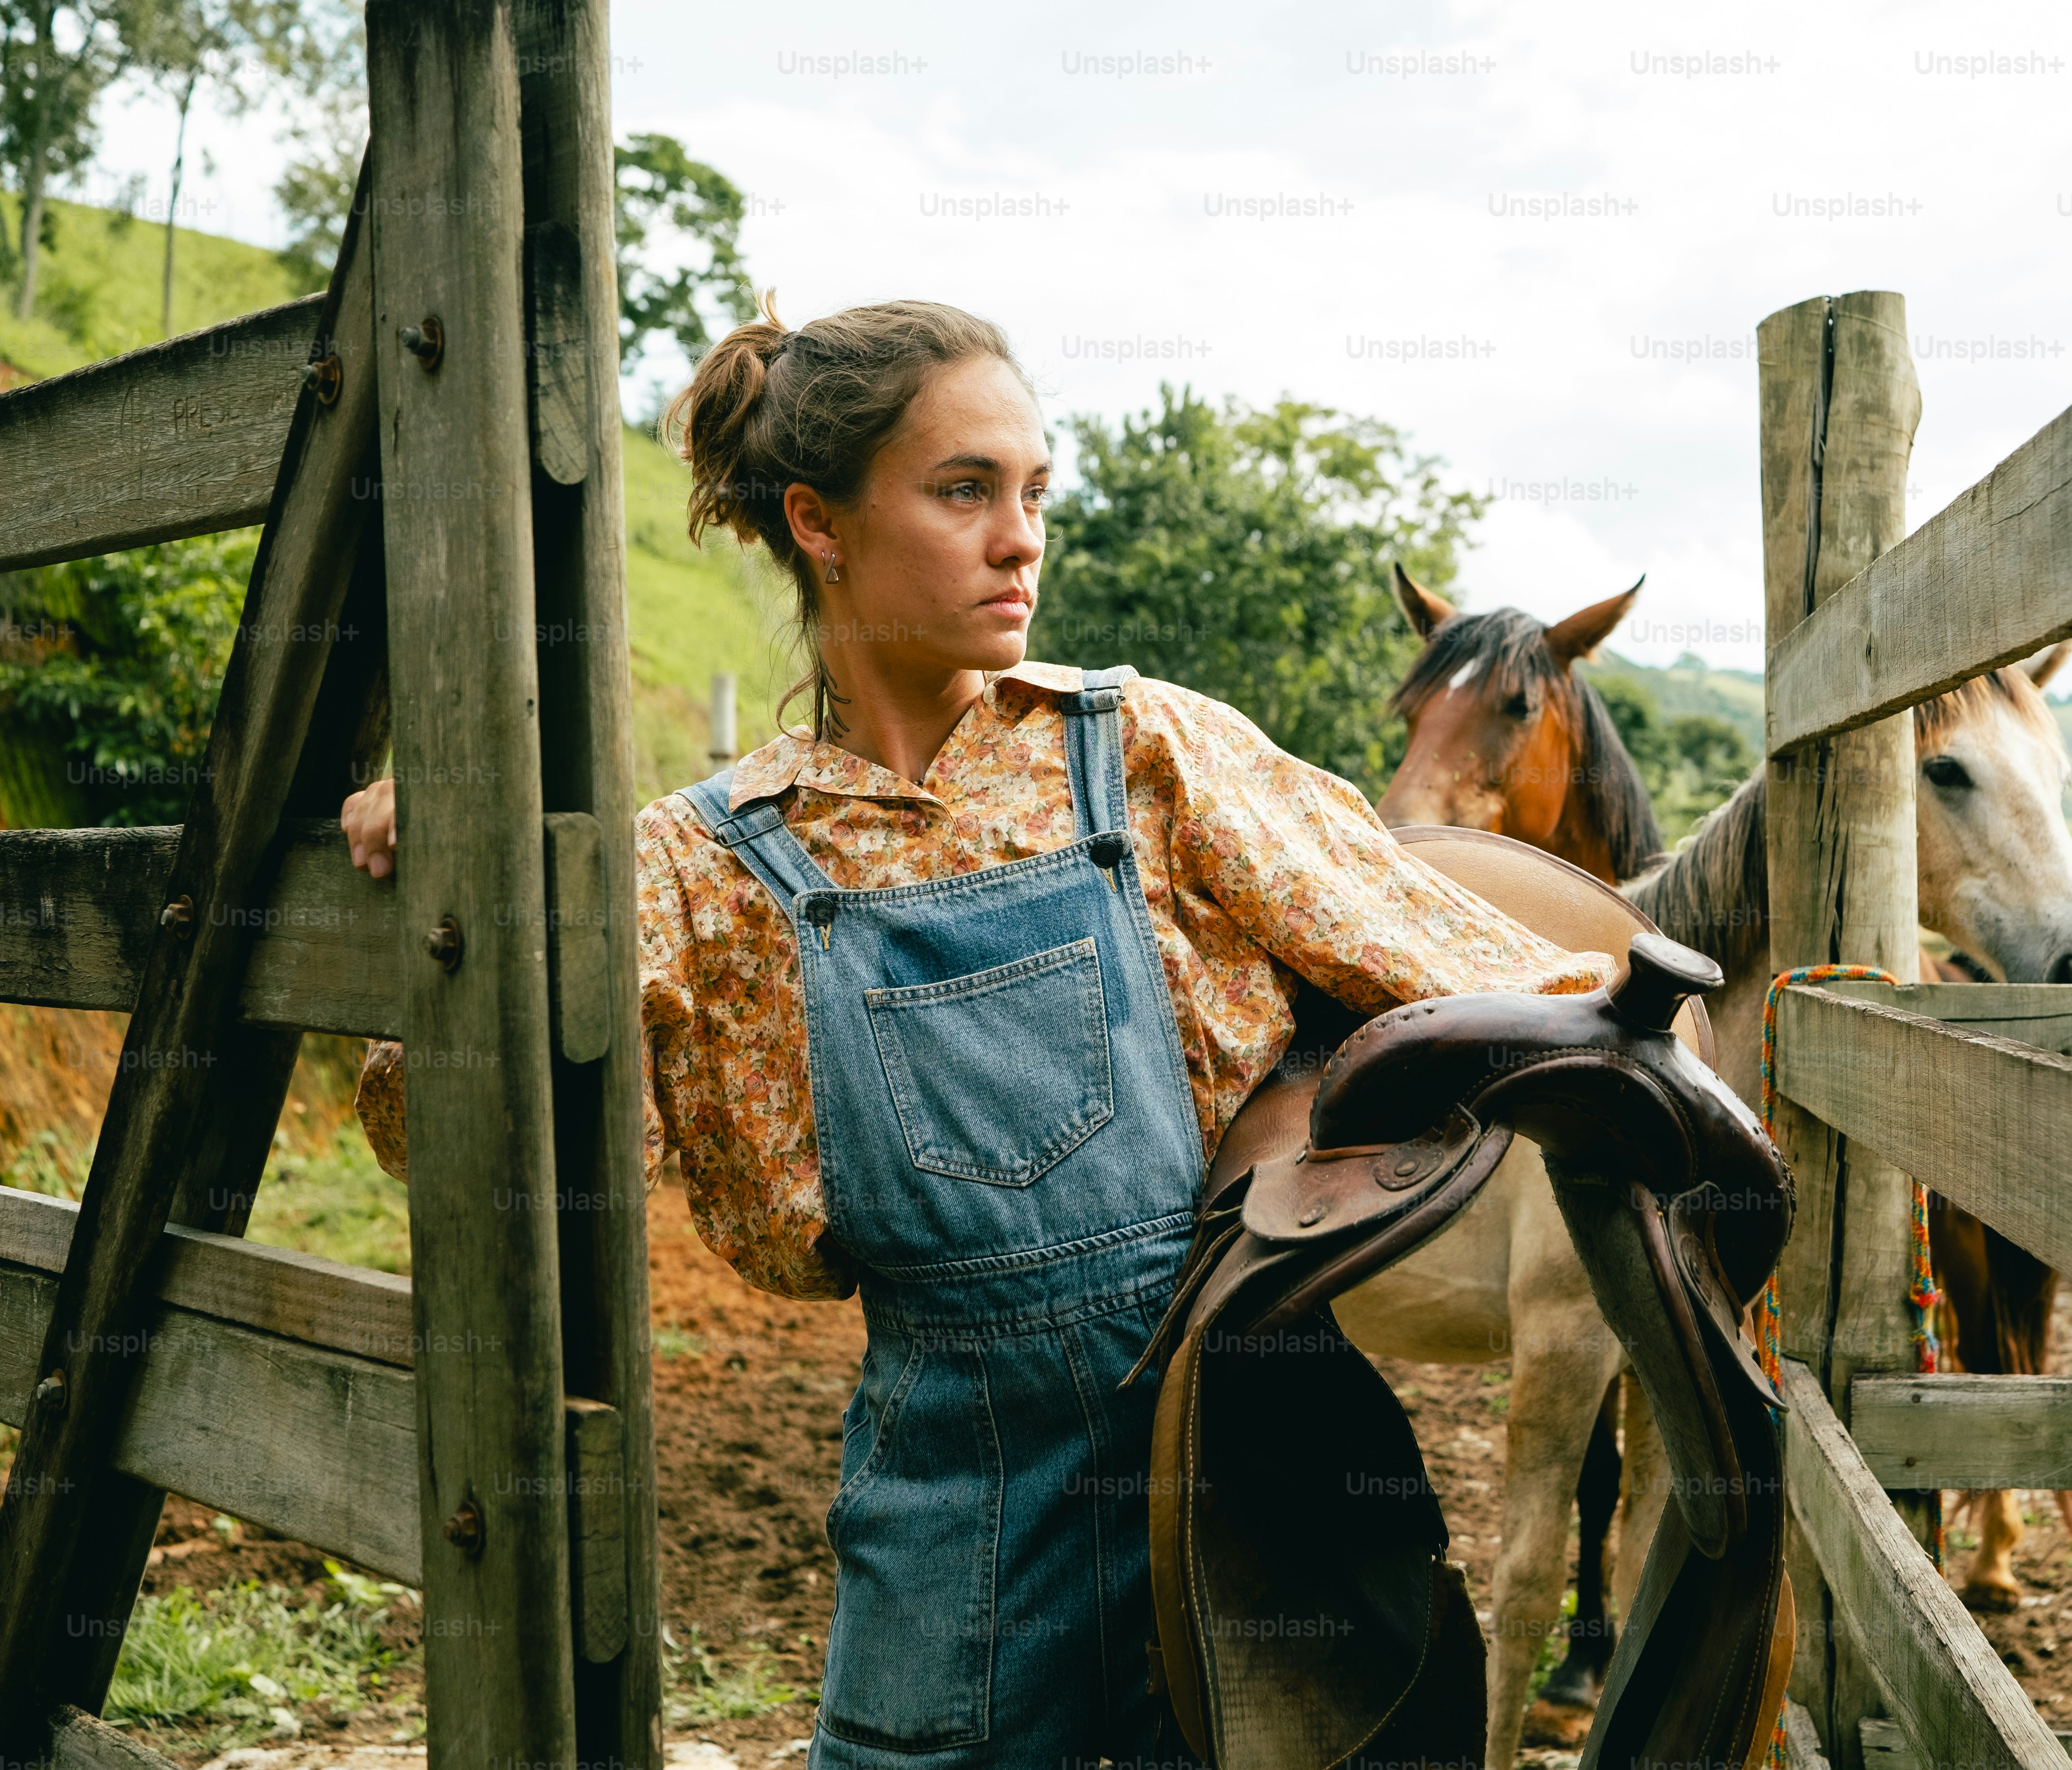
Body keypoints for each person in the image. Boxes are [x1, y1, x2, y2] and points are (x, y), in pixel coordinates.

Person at [341, 297, 1611, 1768]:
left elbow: (1473, 961)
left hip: (1244, 1491)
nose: (1021, 540)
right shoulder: (705, 868)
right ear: (818, 522)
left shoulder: (1144, 751)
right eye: (965, 491)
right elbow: (442, 1126)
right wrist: (467, 882)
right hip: (953, 1538)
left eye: (1034, 494)